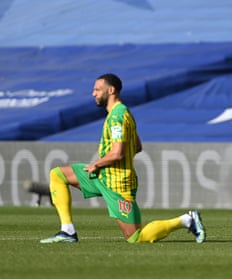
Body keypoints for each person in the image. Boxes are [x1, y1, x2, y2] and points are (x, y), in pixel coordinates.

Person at [40, 73, 206, 243]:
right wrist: (105, 163)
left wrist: (98, 163)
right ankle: (67, 231)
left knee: (136, 237)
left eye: (97, 89)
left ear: (111, 90)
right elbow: (137, 146)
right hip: (104, 176)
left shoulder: (118, 116)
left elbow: (118, 153)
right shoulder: (120, 113)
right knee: (58, 175)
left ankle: (186, 220)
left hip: (118, 184)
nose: (93, 94)